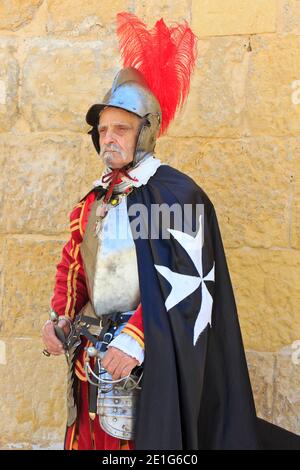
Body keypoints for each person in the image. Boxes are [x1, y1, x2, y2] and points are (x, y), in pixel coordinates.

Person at [42, 12, 300, 450]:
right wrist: (59, 317)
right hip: (92, 356)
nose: (109, 138)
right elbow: (74, 265)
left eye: (120, 128)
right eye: (102, 130)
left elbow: (183, 287)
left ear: (146, 131)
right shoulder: (94, 200)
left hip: (147, 359)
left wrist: (136, 338)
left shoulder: (171, 196)